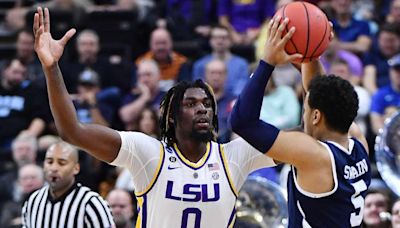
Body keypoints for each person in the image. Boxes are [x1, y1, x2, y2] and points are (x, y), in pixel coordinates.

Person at [32, 7, 277, 227]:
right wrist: (52, 68)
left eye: (206, 103)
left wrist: (307, 63)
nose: (202, 109)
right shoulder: (148, 154)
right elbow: (72, 131)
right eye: (190, 103)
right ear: (171, 116)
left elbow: (309, 138)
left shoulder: (234, 156)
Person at [230, 16, 371, 227]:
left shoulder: (315, 155)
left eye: (305, 109)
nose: (303, 113)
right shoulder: (358, 140)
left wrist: (267, 62)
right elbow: (318, 90)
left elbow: (242, 122)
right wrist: (311, 53)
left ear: (315, 116)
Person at [21, 141, 114, 228]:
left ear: (76, 168)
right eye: (49, 162)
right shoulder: (33, 201)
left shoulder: (91, 203)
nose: (54, 168)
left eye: (61, 163)